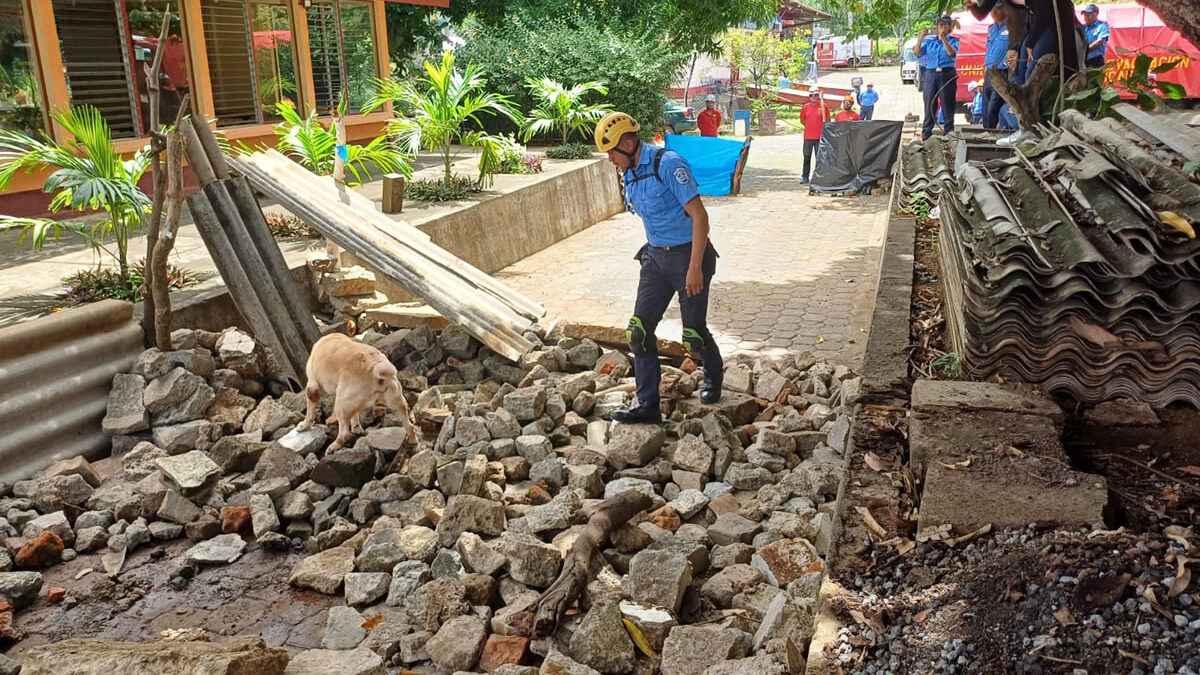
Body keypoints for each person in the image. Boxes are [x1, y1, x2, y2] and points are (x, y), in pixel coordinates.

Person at [593, 112, 723, 424]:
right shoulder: (630, 171)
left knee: (693, 334)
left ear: (627, 143)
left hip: (689, 256)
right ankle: (647, 405)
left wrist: (694, 268)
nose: (610, 159)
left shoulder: (667, 164)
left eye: (611, 151)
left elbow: (700, 217)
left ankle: (713, 378)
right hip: (655, 258)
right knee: (638, 331)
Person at [915, 15, 960, 140]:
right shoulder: (930, 41)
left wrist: (944, 39)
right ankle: (926, 133)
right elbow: (917, 52)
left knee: (947, 103)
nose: (941, 27)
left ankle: (949, 133)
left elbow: (952, 53)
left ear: (949, 27)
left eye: (944, 25)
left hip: (947, 73)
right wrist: (921, 37)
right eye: (939, 25)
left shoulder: (954, 40)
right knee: (929, 102)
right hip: (931, 73)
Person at [981, 0, 1010, 128]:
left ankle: (992, 132)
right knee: (985, 105)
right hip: (989, 71)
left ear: (1005, 8)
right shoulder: (991, 29)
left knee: (994, 105)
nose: (994, 12)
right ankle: (986, 131)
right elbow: (989, 48)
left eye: (997, 8)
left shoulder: (1011, 27)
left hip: (1002, 71)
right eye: (992, 9)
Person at [799, 88, 830, 184]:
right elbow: (802, 120)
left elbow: (828, 120)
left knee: (819, 158)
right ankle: (805, 177)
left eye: (815, 95)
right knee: (807, 156)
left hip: (820, 137)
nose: (813, 97)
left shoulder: (824, 106)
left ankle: (819, 177)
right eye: (811, 95)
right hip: (808, 137)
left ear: (818, 96)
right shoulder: (805, 107)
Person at [1081, 4, 1109, 68]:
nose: (1086, 16)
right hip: (1083, 60)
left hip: (1096, 61)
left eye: (1089, 14)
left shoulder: (1102, 26)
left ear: (1096, 14)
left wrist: (1086, 50)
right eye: (1085, 14)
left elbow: (1099, 41)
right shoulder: (1082, 28)